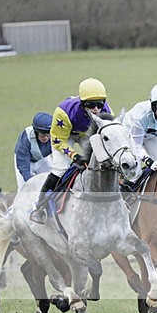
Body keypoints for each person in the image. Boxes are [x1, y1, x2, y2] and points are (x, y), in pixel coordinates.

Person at [30, 78, 112, 224]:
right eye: (91, 104)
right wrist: (74, 156)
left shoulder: (107, 111)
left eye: (100, 103)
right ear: (82, 103)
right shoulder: (64, 112)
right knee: (60, 169)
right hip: (65, 135)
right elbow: (57, 140)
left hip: (86, 134)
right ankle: (39, 207)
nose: (96, 109)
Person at [14, 112, 53, 190]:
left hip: (41, 160)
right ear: (36, 131)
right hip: (26, 161)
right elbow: (23, 167)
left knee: (52, 181)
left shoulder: (55, 136)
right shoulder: (26, 138)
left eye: (48, 134)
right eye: (42, 134)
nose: (45, 137)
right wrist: (32, 182)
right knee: (25, 188)